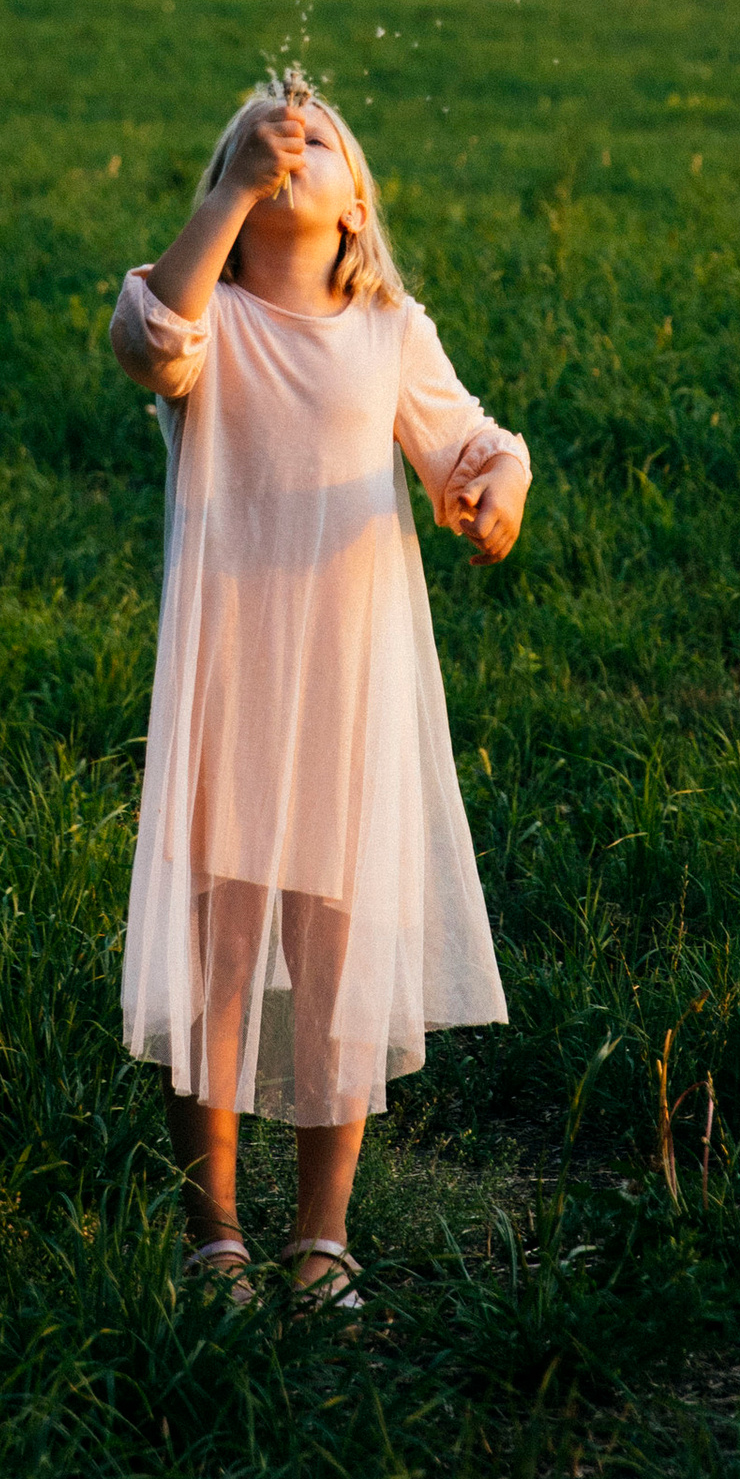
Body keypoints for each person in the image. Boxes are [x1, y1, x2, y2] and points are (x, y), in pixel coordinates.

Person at [108, 70, 530, 1303]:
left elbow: (473, 438)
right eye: (261, 138)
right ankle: (216, 1238)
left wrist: (495, 489)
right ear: (231, 184)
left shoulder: (389, 328)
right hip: (232, 681)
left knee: (336, 962)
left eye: (318, 140)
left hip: (348, 689)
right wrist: (232, 190)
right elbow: (152, 345)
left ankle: (322, 1241)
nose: (293, 142)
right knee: (222, 960)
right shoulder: (207, 314)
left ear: (356, 208)